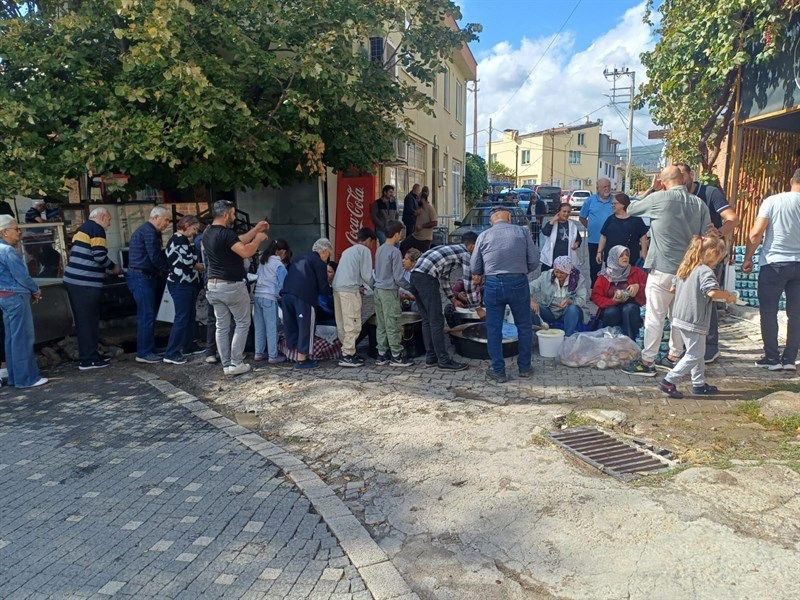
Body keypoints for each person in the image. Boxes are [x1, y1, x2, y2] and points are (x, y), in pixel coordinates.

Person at [623, 165, 712, 376]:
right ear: (683, 179)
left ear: (662, 182)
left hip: (662, 268)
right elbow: (706, 236)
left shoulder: (659, 198)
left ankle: (647, 361)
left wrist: (651, 190)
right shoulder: (699, 204)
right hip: (687, 271)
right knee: (678, 318)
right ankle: (674, 357)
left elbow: (630, 210)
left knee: (655, 316)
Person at [675, 163, 740, 363]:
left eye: (682, 174)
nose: (679, 179)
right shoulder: (676, 196)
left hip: (709, 256)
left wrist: (719, 233)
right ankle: (689, 345)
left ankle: (710, 346)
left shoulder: (709, 192)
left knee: (707, 298)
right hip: (688, 255)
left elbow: (733, 218)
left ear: (691, 174)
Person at [659, 235, 737, 399]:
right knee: (694, 354)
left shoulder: (686, 267)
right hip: (694, 319)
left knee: (697, 352)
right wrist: (728, 296)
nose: (718, 261)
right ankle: (669, 380)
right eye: (719, 257)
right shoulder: (705, 271)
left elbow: (673, 289)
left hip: (680, 317)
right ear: (713, 254)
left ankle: (698, 383)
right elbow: (712, 292)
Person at [470, 208, 538, 383]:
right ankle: (524, 367)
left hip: (493, 283)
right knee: (524, 325)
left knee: (494, 328)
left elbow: (475, 267)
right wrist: (519, 271)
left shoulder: (483, 236)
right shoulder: (522, 232)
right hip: (518, 282)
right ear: (509, 218)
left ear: (492, 221)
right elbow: (534, 261)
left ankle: (498, 371)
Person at [743, 168, 800, 371]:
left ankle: (772, 358)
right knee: (796, 314)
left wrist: (748, 257)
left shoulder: (773, 201)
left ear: (791, 180)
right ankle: (790, 360)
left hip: (774, 263)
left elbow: (756, 233)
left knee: (769, 312)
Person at [204, 200, 269, 376]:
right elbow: (246, 251)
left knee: (222, 326)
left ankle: (226, 365)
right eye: (233, 214)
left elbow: (237, 241)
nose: (234, 217)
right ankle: (236, 363)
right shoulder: (226, 233)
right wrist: (258, 239)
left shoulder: (208, 232)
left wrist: (255, 229)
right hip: (231, 286)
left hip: (213, 285)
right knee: (242, 323)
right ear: (225, 215)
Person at [410, 233, 479, 371]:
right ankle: (443, 360)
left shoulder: (450, 250)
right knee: (436, 321)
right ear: (472, 246)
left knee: (427, 320)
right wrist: (477, 307)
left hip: (415, 277)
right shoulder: (466, 254)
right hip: (426, 279)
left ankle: (431, 357)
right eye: (478, 248)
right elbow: (468, 282)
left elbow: (444, 279)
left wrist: (453, 299)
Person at [63, 207, 121, 370]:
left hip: (74, 280)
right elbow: (99, 256)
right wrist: (114, 267)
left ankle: (90, 356)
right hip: (85, 283)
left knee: (83, 321)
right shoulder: (97, 229)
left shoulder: (82, 229)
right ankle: (89, 359)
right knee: (88, 321)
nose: (109, 223)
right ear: (102, 217)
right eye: (109, 219)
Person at [0, 216, 47, 388]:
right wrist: (36, 289)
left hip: (4, 297)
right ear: (5, 231)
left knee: (12, 338)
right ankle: (26, 378)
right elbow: (22, 276)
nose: (19, 232)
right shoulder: (7, 251)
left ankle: (15, 377)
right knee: (23, 338)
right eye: (16, 228)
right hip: (16, 296)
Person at [127, 206, 172, 363]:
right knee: (147, 315)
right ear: (156, 217)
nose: (167, 223)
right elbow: (155, 256)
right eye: (166, 219)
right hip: (141, 277)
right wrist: (169, 269)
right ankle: (144, 352)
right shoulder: (149, 232)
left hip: (142, 276)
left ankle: (148, 348)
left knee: (147, 315)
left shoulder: (148, 231)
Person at [282, 238, 333, 369]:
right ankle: (302, 360)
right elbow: (323, 287)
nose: (328, 257)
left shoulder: (300, 257)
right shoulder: (319, 262)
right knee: (306, 327)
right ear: (324, 251)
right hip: (303, 297)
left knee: (292, 325)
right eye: (329, 254)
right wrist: (332, 291)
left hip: (286, 294)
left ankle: (292, 354)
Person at [162, 215, 204, 365]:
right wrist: (199, 265)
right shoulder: (179, 239)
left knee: (189, 315)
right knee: (182, 317)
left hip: (185, 283)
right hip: (181, 283)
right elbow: (188, 261)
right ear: (186, 225)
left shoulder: (182, 239)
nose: (194, 232)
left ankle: (188, 345)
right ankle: (171, 352)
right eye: (193, 229)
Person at [332, 228, 377, 367]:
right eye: (373, 243)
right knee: (353, 322)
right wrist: (377, 287)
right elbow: (367, 275)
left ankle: (347, 351)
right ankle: (348, 354)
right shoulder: (364, 251)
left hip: (337, 288)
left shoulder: (348, 251)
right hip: (349, 291)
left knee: (342, 322)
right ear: (369, 240)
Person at [374, 220, 414, 367]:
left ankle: (381, 355)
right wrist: (411, 288)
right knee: (393, 323)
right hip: (389, 292)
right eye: (401, 233)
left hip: (378, 290)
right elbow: (398, 278)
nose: (401, 235)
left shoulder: (380, 249)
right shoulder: (395, 252)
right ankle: (396, 356)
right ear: (396, 234)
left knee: (381, 323)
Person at [591, 246, 647, 340]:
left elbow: (650, 287)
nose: (625, 257)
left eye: (627, 255)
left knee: (629, 309)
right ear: (614, 257)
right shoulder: (604, 276)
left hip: (632, 308)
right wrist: (612, 301)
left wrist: (638, 287)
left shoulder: (637, 272)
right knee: (611, 311)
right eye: (621, 255)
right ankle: (610, 341)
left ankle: (631, 341)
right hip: (611, 307)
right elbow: (595, 296)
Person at [529, 256, 587, 336]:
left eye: (562, 273)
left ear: (568, 272)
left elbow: (582, 299)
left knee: (573, 309)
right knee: (530, 307)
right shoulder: (546, 276)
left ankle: (567, 337)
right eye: (556, 272)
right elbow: (529, 288)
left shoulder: (577, 279)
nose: (558, 275)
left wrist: (570, 301)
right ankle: (540, 333)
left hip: (568, 313)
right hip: (550, 310)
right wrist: (531, 301)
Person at [254, 239, 290, 363]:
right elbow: (283, 284)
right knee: (271, 327)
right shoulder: (279, 265)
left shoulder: (263, 261)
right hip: (269, 298)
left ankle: (258, 353)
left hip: (257, 296)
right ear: (282, 252)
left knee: (259, 327)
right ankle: (273, 356)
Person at [595, 193, 649, 267]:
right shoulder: (610, 219)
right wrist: (599, 252)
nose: (612, 205)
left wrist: (644, 253)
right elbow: (603, 236)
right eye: (612, 203)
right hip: (612, 260)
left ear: (623, 204)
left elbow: (643, 237)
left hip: (630, 260)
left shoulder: (636, 219)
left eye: (615, 203)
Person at [579, 178, 614, 284]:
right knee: (594, 267)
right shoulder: (590, 200)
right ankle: (595, 289)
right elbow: (582, 217)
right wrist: (590, 228)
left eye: (608, 186)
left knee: (611, 267)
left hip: (611, 241)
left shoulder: (615, 201)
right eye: (604, 187)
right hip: (594, 240)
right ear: (597, 188)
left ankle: (610, 289)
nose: (607, 188)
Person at [540, 203, 581, 272]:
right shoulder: (552, 223)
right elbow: (545, 232)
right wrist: (553, 220)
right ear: (559, 212)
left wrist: (577, 244)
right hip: (552, 258)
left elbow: (578, 238)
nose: (566, 214)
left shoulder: (572, 225)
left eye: (568, 212)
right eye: (564, 211)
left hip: (567, 259)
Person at [405, 186, 437, 253]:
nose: (416, 200)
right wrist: (415, 214)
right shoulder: (419, 208)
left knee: (422, 254)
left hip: (425, 238)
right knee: (403, 245)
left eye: (418, 198)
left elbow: (434, 223)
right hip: (415, 236)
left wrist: (422, 226)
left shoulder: (430, 209)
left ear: (422, 199)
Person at [317, 261, 337, 326]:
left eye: (329, 272)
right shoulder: (320, 286)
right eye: (325, 271)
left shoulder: (337, 287)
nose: (326, 274)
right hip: (324, 319)